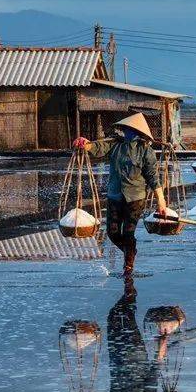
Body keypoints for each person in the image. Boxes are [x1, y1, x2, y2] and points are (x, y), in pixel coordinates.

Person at [73, 113, 166, 277]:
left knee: (129, 232)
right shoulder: (116, 144)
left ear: (137, 132)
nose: (126, 132)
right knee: (112, 232)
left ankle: (128, 267)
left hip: (135, 198)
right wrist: (85, 144)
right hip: (115, 195)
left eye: (130, 129)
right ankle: (130, 251)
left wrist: (161, 200)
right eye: (125, 129)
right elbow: (98, 147)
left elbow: (152, 176)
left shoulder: (145, 150)